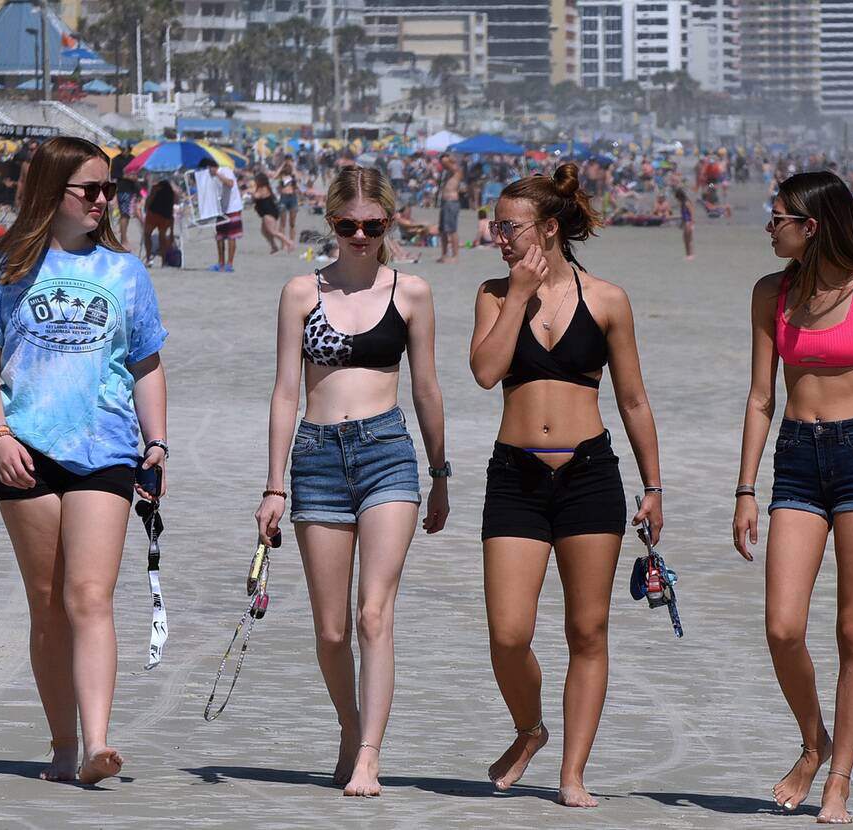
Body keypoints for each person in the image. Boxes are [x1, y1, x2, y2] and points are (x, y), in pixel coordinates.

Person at [0, 136, 169, 786]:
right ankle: (62, 743)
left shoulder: (126, 273)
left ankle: (100, 741)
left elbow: (147, 364)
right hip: (24, 451)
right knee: (47, 604)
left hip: (106, 450)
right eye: (90, 190)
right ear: (54, 194)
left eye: (109, 190)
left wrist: (156, 444)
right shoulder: (4, 268)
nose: (103, 201)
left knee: (90, 596)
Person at [468, 163, 664, 808]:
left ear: (549, 229)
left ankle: (573, 774)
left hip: (589, 476)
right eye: (497, 225)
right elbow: (486, 373)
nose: (499, 236)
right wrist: (520, 294)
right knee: (508, 633)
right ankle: (530, 728)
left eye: (510, 227)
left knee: (588, 631)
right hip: (515, 477)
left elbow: (633, 401)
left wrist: (653, 485)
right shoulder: (495, 295)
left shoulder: (607, 300)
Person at [254, 166, 448, 798]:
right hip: (315, 457)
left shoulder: (411, 293)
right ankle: (349, 727)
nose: (360, 236)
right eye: (347, 225)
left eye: (372, 226)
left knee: (373, 614)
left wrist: (440, 473)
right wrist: (274, 485)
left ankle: (370, 753)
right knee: (332, 628)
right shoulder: (300, 293)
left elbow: (426, 389)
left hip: (387, 453)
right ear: (331, 223)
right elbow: (286, 390)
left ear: (388, 224)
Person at [733, 171, 853, 825]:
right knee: (782, 626)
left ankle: (838, 777)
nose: (768, 224)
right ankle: (813, 741)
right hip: (797, 462)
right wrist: (746, 487)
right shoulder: (771, 293)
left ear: (811, 226)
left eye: (777, 215)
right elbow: (762, 398)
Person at [197, 157, 247, 271]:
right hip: (220, 209)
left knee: (231, 236)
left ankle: (229, 264)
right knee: (220, 236)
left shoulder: (225, 171)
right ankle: (220, 263)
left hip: (233, 207)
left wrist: (217, 174)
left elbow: (230, 183)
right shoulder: (211, 177)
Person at [250, 172, 295, 255]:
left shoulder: (263, 188)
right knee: (264, 231)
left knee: (273, 231)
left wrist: (250, 191)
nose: (255, 181)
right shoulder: (261, 188)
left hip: (269, 212)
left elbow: (257, 196)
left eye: (256, 180)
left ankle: (289, 243)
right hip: (265, 213)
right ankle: (274, 246)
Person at [142, 178, 176, 267]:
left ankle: (149, 258)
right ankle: (163, 261)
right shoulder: (171, 192)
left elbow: (148, 201)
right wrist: (172, 231)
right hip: (162, 215)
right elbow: (171, 210)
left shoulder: (156, 188)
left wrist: (146, 208)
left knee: (147, 234)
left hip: (154, 214)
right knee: (162, 237)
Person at [110, 143, 138, 248]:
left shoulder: (133, 158)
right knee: (124, 214)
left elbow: (138, 171)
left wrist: (134, 176)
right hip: (123, 189)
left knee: (128, 215)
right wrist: (127, 176)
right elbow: (113, 174)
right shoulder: (116, 160)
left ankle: (124, 238)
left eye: (125, 148)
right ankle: (124, 239)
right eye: (122, 148)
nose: (123, 150)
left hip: (133, 189)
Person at [437, 154, 462, 264]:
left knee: (452, 230)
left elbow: (452, 165)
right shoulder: (447, 173)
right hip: (444, 202)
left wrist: (449, 159)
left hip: (452, 202)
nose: (443, 164)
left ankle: (455, 256)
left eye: (445, 162)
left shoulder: (456, 170)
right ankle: (444, 254)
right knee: (442, 230)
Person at [274, 157, 300, 242]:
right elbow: (274, 176)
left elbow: (298, 178)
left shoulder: (293, 175)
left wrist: (292, 166)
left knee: (292, 223)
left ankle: (291, 242)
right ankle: (283, 242)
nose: (288, 164)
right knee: (283, 222)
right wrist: (282, 165)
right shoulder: (281, 175)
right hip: (283, 198)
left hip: (292, 198)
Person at [674, 187, 695, 260]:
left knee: (688, 239)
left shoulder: (687, 203)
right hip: (686, 222)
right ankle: (688, 254)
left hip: (688, 222)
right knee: (685, 239)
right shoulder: (683, 203)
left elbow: (692, 213)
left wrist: (692, 224)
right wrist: (681, 224)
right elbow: (683, 216)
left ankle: (691, 255)